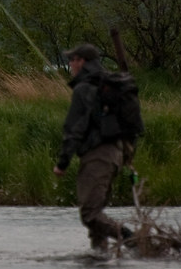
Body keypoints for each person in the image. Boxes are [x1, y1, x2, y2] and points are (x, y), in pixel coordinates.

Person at [53, 43, 133, 251]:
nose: (70, 64)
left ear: (82, 62)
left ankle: (134, 240)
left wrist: (63, 162)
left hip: (98, 156)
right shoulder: (109, 85)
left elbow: (74, 128)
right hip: (116, 155)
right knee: (96, 218)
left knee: (90, 215)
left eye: (73, 60)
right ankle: (99, 258)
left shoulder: (84, 89)